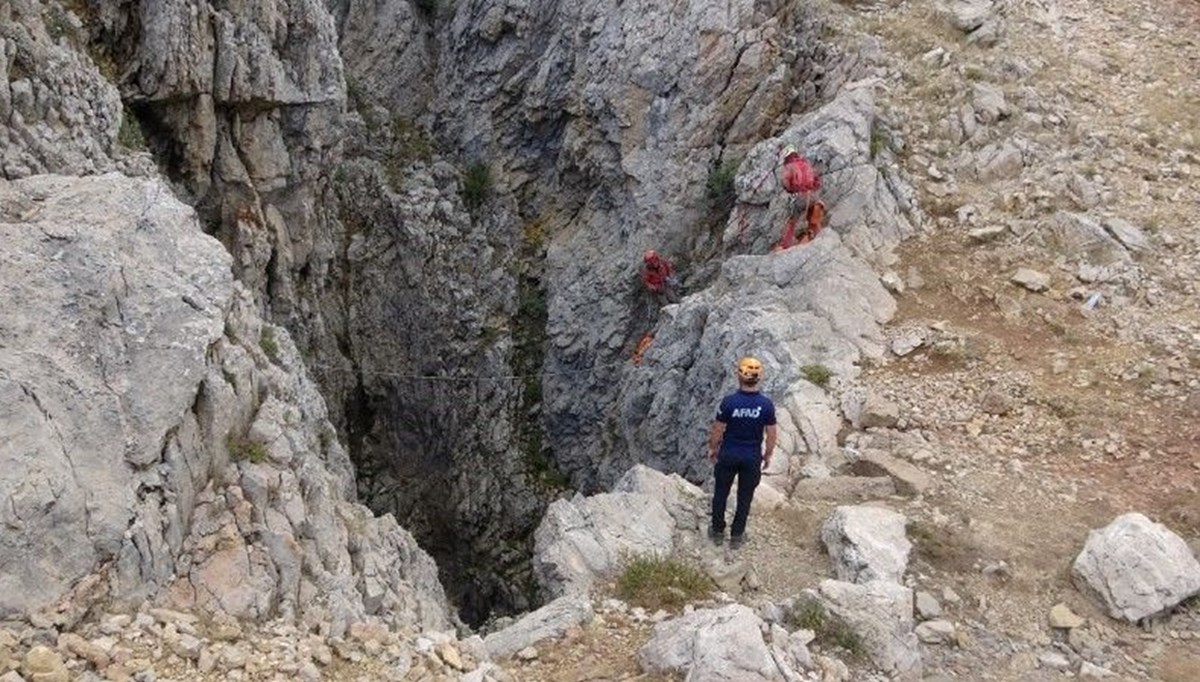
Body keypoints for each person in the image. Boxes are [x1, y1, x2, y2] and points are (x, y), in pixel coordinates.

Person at [706, 356, 777, 549]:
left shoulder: (729, 402)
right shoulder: (766, 405)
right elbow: (771, 433)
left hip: (728, 453)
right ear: (759, 377)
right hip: (751, 456)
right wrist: (768, 454)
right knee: (745, 497)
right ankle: (737, 536)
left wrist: (713, 448)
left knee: (721, 492)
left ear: (739, 376)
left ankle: (717, 531)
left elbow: (718, 429)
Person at [773, 146, 826, 250]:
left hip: (800, 197)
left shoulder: (789, 166)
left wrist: (791, 190)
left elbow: (786, 183)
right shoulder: (806, 164)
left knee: (794, 222)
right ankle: (819, 239)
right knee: (813, 219)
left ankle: (789, 246)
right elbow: (817, 181)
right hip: (813, 196)